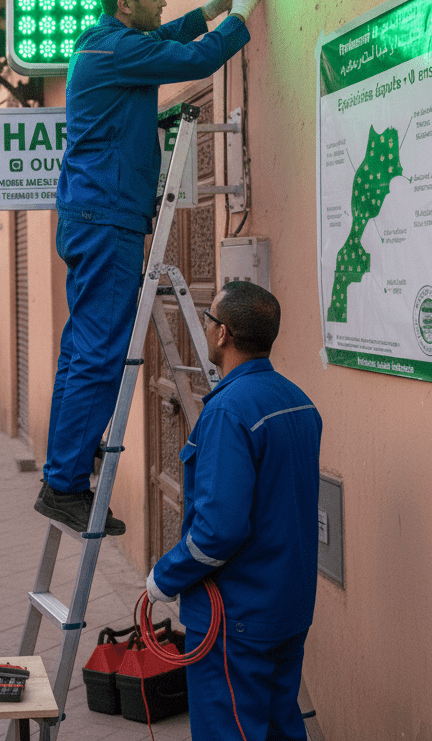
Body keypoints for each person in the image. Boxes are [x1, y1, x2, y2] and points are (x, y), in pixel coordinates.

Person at [35, 0, 261, 535]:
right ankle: (64, 484)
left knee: (84, 348)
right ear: (124, 6)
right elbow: (193, 57)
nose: (164, 2)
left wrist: (209, 10)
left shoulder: (106, 46)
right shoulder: (118, 50)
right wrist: (237, 17)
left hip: (94, 216)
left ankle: (66, 469)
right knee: (101, 350)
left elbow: (164, 37)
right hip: (106, 217)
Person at [145, 282, 322, 740]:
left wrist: (164, 578)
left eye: (209, 320)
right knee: (281, 727)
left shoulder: (228, 411)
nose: (205, 327)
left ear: (223, 334)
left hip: (236, 619)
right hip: (288, 606)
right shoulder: (299, 401)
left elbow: (218, 530)